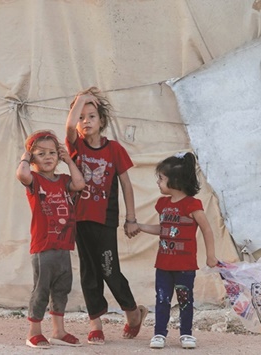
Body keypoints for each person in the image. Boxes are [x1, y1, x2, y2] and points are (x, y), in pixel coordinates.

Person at [65, 87, 147, 345]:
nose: (85, 121)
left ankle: (133, 312)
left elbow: (126, 185)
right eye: (81, 116)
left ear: (102, 121)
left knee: (109, 270)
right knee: (89, 272)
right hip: (80, 219)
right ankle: (95, 324)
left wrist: (131, 218)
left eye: (91, 116)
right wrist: (81, 99)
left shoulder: (114, 150)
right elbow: (68, 128)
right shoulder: (75, 146)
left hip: (105, 219)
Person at [135, 152, 219, 349]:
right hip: (163, 265)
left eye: (161, 178)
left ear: (176, 181)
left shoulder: (192, 205)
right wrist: (140, 226)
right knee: (162, 299)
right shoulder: (162, 205)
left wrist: (211, 256)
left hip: (185, 266)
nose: (158, 182)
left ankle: (186, 334)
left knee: (185, 300)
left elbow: (207, 229)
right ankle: (159, 334)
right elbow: (162, 230)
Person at [16, 130, 86, 349]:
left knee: (61, 289)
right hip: (43, 247)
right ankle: (34, 332)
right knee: (41, 290)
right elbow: (21, 175)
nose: (48, 157)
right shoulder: (35, 181)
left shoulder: (64, 181)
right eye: (41, 153)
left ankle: (59, 331)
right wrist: (25, 156)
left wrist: (69, 161)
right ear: (33, 158)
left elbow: (80, 184)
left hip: (63, 245)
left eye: (52, 153)